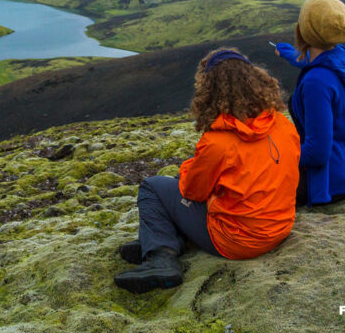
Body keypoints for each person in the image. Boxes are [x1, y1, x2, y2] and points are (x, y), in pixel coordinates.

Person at [114, 48, 301, 294]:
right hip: (278, 228)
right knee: (185, 187)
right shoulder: (283, 125)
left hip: (237, 241)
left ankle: (160, 259)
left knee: (155, 187)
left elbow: (192, 192)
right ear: (257, 81)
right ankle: (164, 240)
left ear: (210, 90)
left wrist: (188, 169)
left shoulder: (218, 141)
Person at [274, 0, 345, 207]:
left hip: (330, 184)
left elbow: (317, 153)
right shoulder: (344, 58)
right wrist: (286, 52)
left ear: (305, 30)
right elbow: (310, 60)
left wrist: (275, 159)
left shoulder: (317, 83)